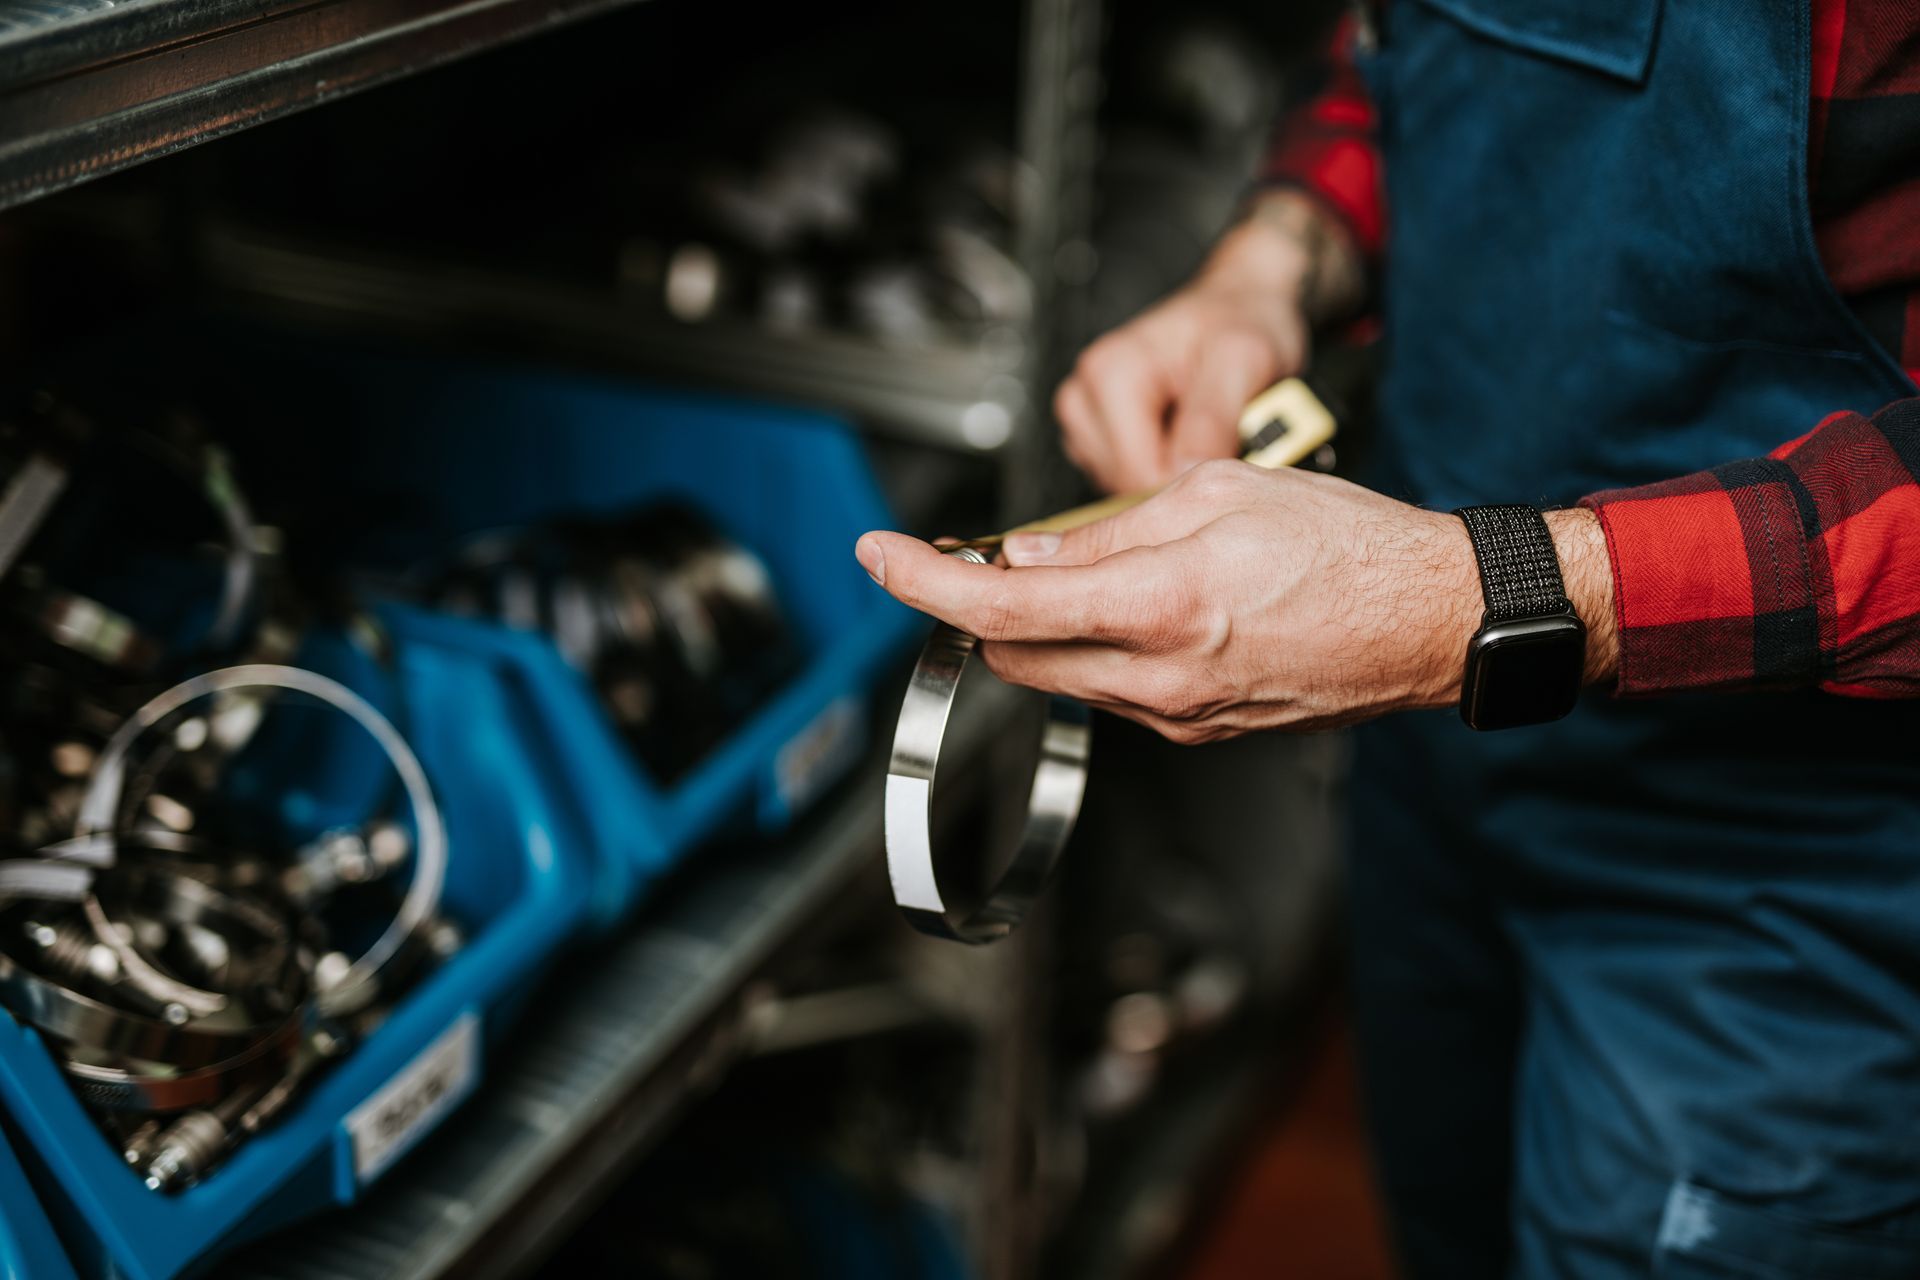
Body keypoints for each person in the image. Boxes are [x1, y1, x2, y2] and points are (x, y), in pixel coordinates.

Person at [857, 2, 1920, 1276]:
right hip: (1435, 766)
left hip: (1791, 856)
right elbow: (1399, 41)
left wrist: (1472, 599)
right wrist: (1274, 257)